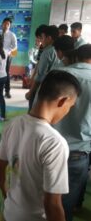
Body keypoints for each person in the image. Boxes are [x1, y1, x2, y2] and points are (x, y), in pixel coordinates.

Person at [0, 70, 81, 221]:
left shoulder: (13, 124)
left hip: (10, 212)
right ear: (62, 101)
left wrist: (6, 193)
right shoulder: (54, 143)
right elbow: (52, 204)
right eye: (70, 106)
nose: (67, 112)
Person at [53, 44, 91, 221]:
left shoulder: (57, 75)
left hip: (49, 145)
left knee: (41, 195)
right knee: (66, 203)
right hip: (79, 151)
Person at [26, 25, 59, 111]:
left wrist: (30, 92)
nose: (40, 41)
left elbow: (40, 76)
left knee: (34, 109)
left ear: (49, 38)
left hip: (43, 86)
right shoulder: (58, 49)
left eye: (42, 38)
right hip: (53, 86)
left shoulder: (47, 52)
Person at [0, 17, 17, 99]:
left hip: (7, 56)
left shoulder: (12, 35)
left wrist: (9, 51)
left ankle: (7, 91)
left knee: (6, 73)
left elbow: (15, 46)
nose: (6, 25)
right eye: (5, 23)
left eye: (8, 24)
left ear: (9, 26)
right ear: (2, 24)